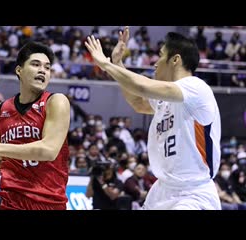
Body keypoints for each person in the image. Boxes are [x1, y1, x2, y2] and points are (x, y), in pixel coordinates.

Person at [85, 27, 222, 210]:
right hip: (162, 189)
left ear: (175, 59)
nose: (156, 63)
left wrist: (106, 65)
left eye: (161, 55)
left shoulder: (195, 88)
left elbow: (142, 87)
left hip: (193, 193)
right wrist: (117, 63)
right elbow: (138, 102)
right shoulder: (165, 98)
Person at [0, 41, 71, 210]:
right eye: (36, 65)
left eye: (47, 68)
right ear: (19, 70)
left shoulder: (56, 101)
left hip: (48, 202)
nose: (43, 70)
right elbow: (8, 160)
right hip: (9, 201)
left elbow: (49, 150)